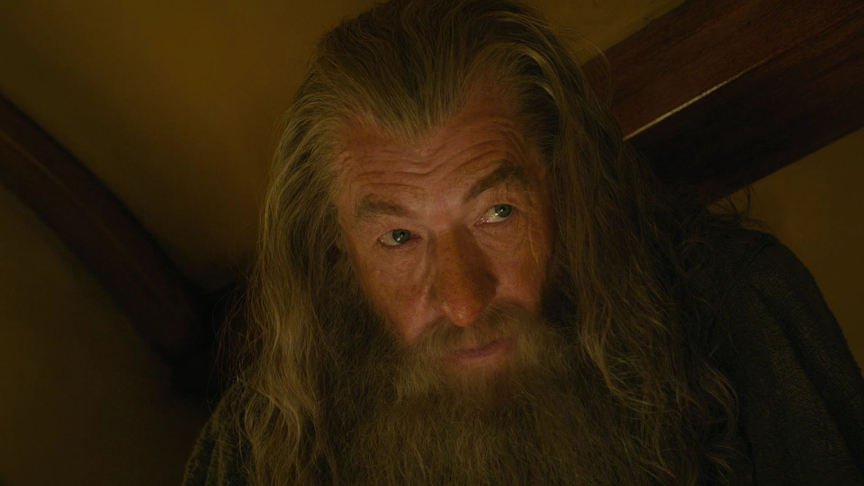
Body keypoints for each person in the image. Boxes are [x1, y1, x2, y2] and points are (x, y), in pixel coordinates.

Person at [182, 0, 864, 484]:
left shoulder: (739, 307)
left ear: (563, 185)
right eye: (398, 236)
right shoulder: (261, 443)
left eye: (497, 212)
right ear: (337, 247)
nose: (463, 302)